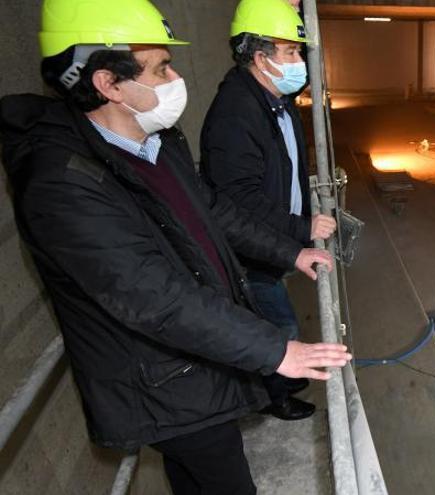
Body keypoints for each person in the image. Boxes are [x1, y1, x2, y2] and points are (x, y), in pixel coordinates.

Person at [0, 0, 350, 493]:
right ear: (108, 83)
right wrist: (275, 349)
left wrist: (288, 250)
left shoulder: (154, 140)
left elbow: (214, 209)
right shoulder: (64, 186)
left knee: (194, 480)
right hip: (160, 374)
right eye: (160, 67)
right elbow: (153, 295)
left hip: (191, 353)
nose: (174, 77)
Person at [201, 0, 335, 421]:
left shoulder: (277, 101)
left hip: (273, 244)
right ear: (261, 58)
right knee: (279, 326)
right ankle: (275, 396)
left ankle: (282, 376)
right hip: (251, 255)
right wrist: (300, 226)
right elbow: (240, 203)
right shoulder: (236, 114)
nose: (300, 62)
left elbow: (289, 169)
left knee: (278, 319)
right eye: (291, 52)